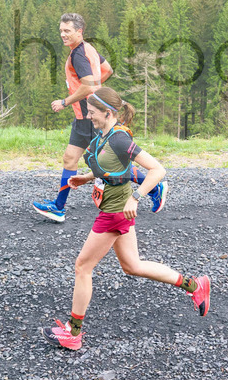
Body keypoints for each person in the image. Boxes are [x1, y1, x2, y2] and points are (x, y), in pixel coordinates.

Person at [41, 87, 210, 351]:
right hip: (113, 209)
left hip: (115, 212)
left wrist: (137, 196)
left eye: (93, 112)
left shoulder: (119, 139)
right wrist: (87, 178)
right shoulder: (103, 136)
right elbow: (115, 168)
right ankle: (194, 285)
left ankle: (73, 333)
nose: (89, 116)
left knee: (83, 267)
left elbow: (157, 169)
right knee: (132, 265)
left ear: (108, 113)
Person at [32, 12, 166, 223]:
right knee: (70, 158)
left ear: (79, 31)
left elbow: (88, 85)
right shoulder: (88, 49)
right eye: (60, 30)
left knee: (112, 161)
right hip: (82, 116)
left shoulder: (78, 55)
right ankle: (58, 207)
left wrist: (65, 101)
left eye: (67, 31)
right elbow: (107, 70)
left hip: (91, 117)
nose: (62, 35)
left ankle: (154, 187)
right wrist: (93, 87)